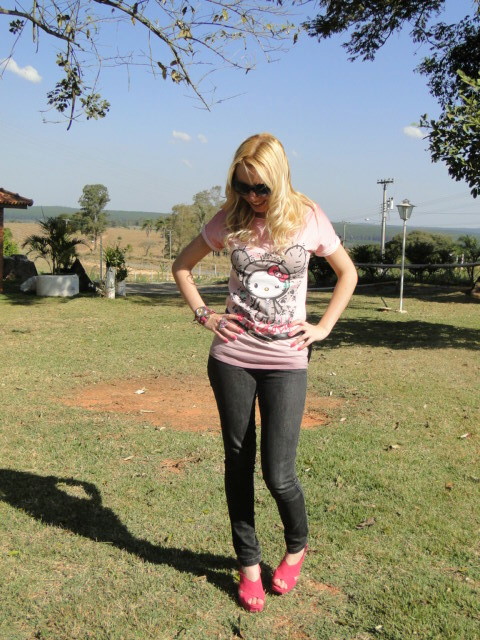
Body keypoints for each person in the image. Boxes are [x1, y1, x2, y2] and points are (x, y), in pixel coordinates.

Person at [172, 133, 358, 613]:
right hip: (232, 356)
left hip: (287, 361)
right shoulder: (229, 219)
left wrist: (323, 327)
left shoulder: (308, 217)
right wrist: (205, 315)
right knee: (238, 462)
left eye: (261, 188)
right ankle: (249, 564)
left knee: (279, 473)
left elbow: (348, 273)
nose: (252, 197)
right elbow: (182, 266)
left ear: (279, 179)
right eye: (242, 186)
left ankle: (296, 547)